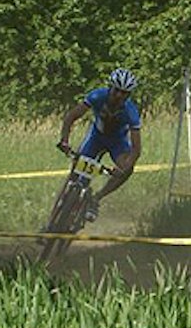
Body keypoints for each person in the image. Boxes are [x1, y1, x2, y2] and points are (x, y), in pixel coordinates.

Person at [56, 67, 142, 222]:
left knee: (128, 170)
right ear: (110, 87)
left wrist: (124, 167)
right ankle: (53, 217)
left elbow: (136, 149)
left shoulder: (131, 111)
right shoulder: (97, 96)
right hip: (96, 137)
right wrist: (64, 140)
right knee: (76, 174)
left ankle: (96, 199)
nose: (119, 96)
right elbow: (71, 117)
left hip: (117, 142)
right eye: (117, 90)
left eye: (125, 93)